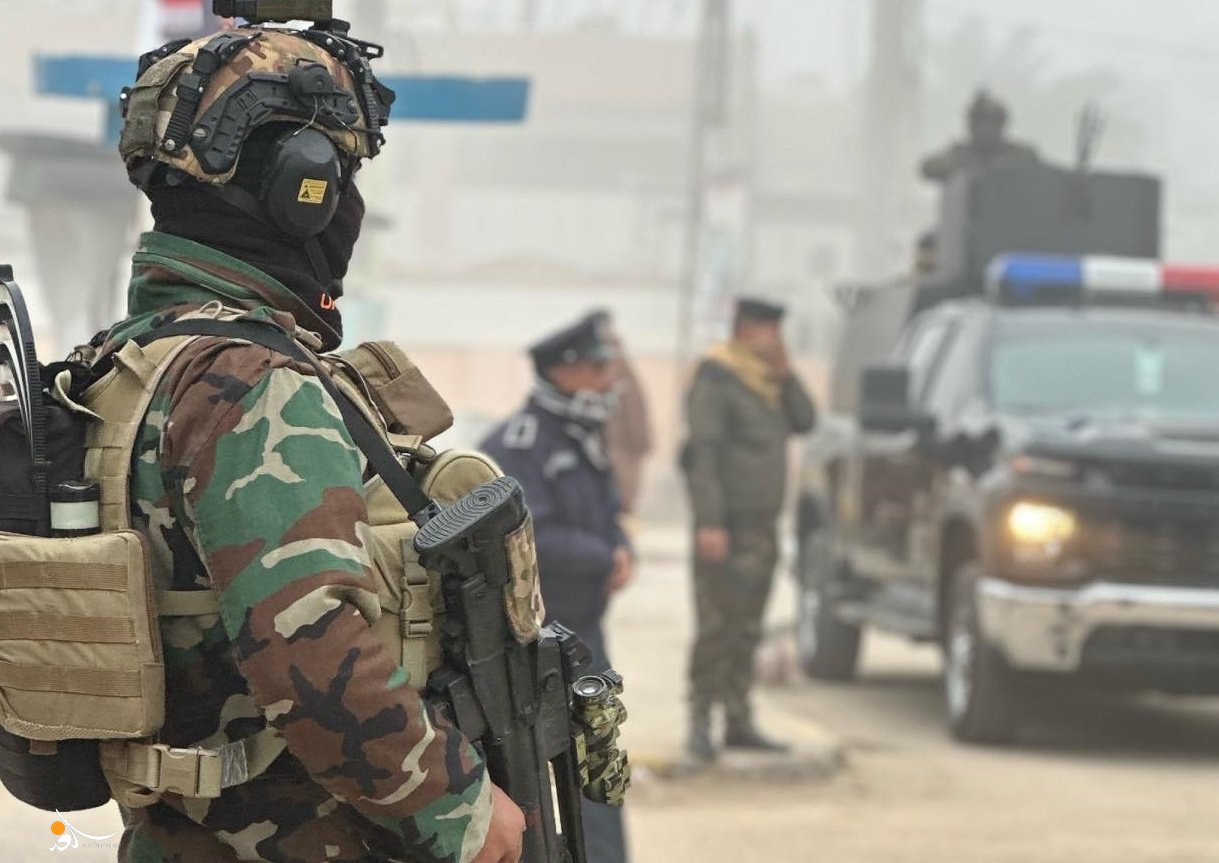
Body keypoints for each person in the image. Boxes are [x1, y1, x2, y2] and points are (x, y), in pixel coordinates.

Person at [107, 23, 523, 863]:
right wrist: (464, 813)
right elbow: (311, 647)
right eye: (343, 175)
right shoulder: (252, 381)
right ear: (304, 187)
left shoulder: (134, 366)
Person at [480, 313, 632, 863]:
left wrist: (621, 547)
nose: (607, 380)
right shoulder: (521, 444)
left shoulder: (579, 435)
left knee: (600, 764)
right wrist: (603, 557)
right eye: (597, 369)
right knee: (538, 777)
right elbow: (531, 535)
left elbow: (611, 511)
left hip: (585, 634)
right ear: (565, 371)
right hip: (539, 639)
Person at [682, 298, 816, 763]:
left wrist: (787, 372)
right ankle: (701, 722)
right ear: (745, 329)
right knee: (715, 628)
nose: (774, 339)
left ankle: (738, 719)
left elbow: (806, 420)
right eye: (766, 330)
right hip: (727, 528)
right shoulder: (717, 377)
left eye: (777, 331)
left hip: (762, 528)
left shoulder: (768, 381)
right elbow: (703, 456)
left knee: (748, 628)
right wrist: (710, 522)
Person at [597, 311, 654, 516]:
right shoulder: (609, 367)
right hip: (613, 454)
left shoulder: (617, 367)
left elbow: (635, 412)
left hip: (619, 453)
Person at [920, 90, 1041, 183]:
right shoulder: (960, 154)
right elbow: (928, 168)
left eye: (991, 122)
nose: (984, 129)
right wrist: (962, 167)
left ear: (1002, 124)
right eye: (979, 122)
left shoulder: (1020, 155)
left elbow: (1042, 176)